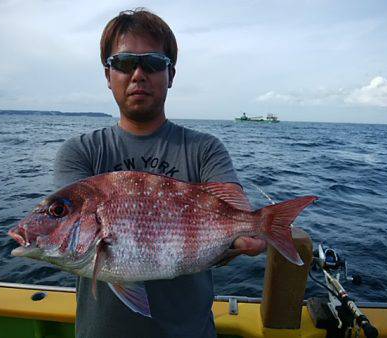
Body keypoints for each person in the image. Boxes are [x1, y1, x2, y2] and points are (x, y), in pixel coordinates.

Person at [54, 8, 266, 338]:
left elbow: (238, 215)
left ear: (171, 74)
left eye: (153, 63)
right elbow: (72, 238)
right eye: (124, 63)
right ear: (108, 75)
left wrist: (246, 233)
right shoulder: (80, 152)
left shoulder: (205, 149)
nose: (138, 74)